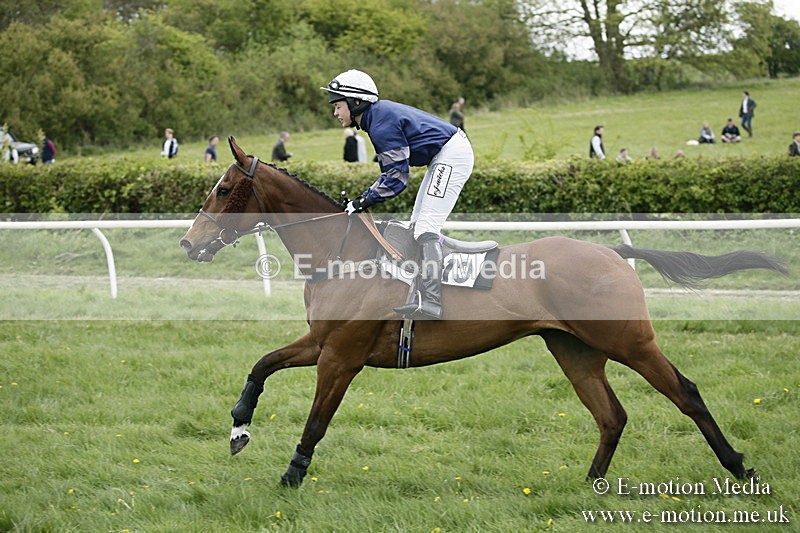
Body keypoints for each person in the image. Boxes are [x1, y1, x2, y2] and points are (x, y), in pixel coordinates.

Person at [321, 69, 473, 320]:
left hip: (452, 154)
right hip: (443, 155)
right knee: (417, 227)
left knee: (426, 228)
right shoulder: (375, 119)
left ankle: (433, 302)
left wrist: (363, 200)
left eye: (338, 106)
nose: (335, 112)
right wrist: (363, 199)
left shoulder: (380, 123)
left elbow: (397, 179)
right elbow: (392, 175)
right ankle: (421, 292)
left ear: (356, 102)